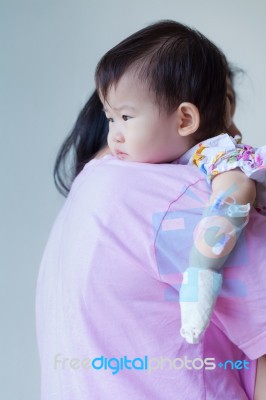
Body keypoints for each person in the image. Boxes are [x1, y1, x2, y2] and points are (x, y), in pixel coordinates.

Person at [36, 21, 266, 400]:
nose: (231, 134)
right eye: (224, 105)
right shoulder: (178, 194)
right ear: (185, 118)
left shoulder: (82, 201)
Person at [93, 20, 266, 344]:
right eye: (110, 118)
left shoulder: (213, 153)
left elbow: (236, 190)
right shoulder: (149, 170)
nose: (114, 134)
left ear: (185, 119)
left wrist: (202, 270)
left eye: (126, 117)